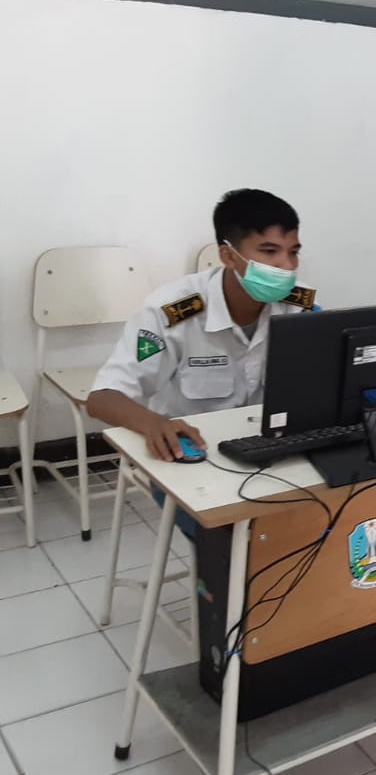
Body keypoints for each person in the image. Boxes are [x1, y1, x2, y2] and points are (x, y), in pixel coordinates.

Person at [88, 189, 314, 537]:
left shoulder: (300, 304)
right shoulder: (171, 311)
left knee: (324, 518)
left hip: (271, 451)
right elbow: (103, 397)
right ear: (229, 255)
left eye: (293, 252)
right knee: (235, 543)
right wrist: (153, 424)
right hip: (194, 461)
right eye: (269, 251)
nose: (287, 266)